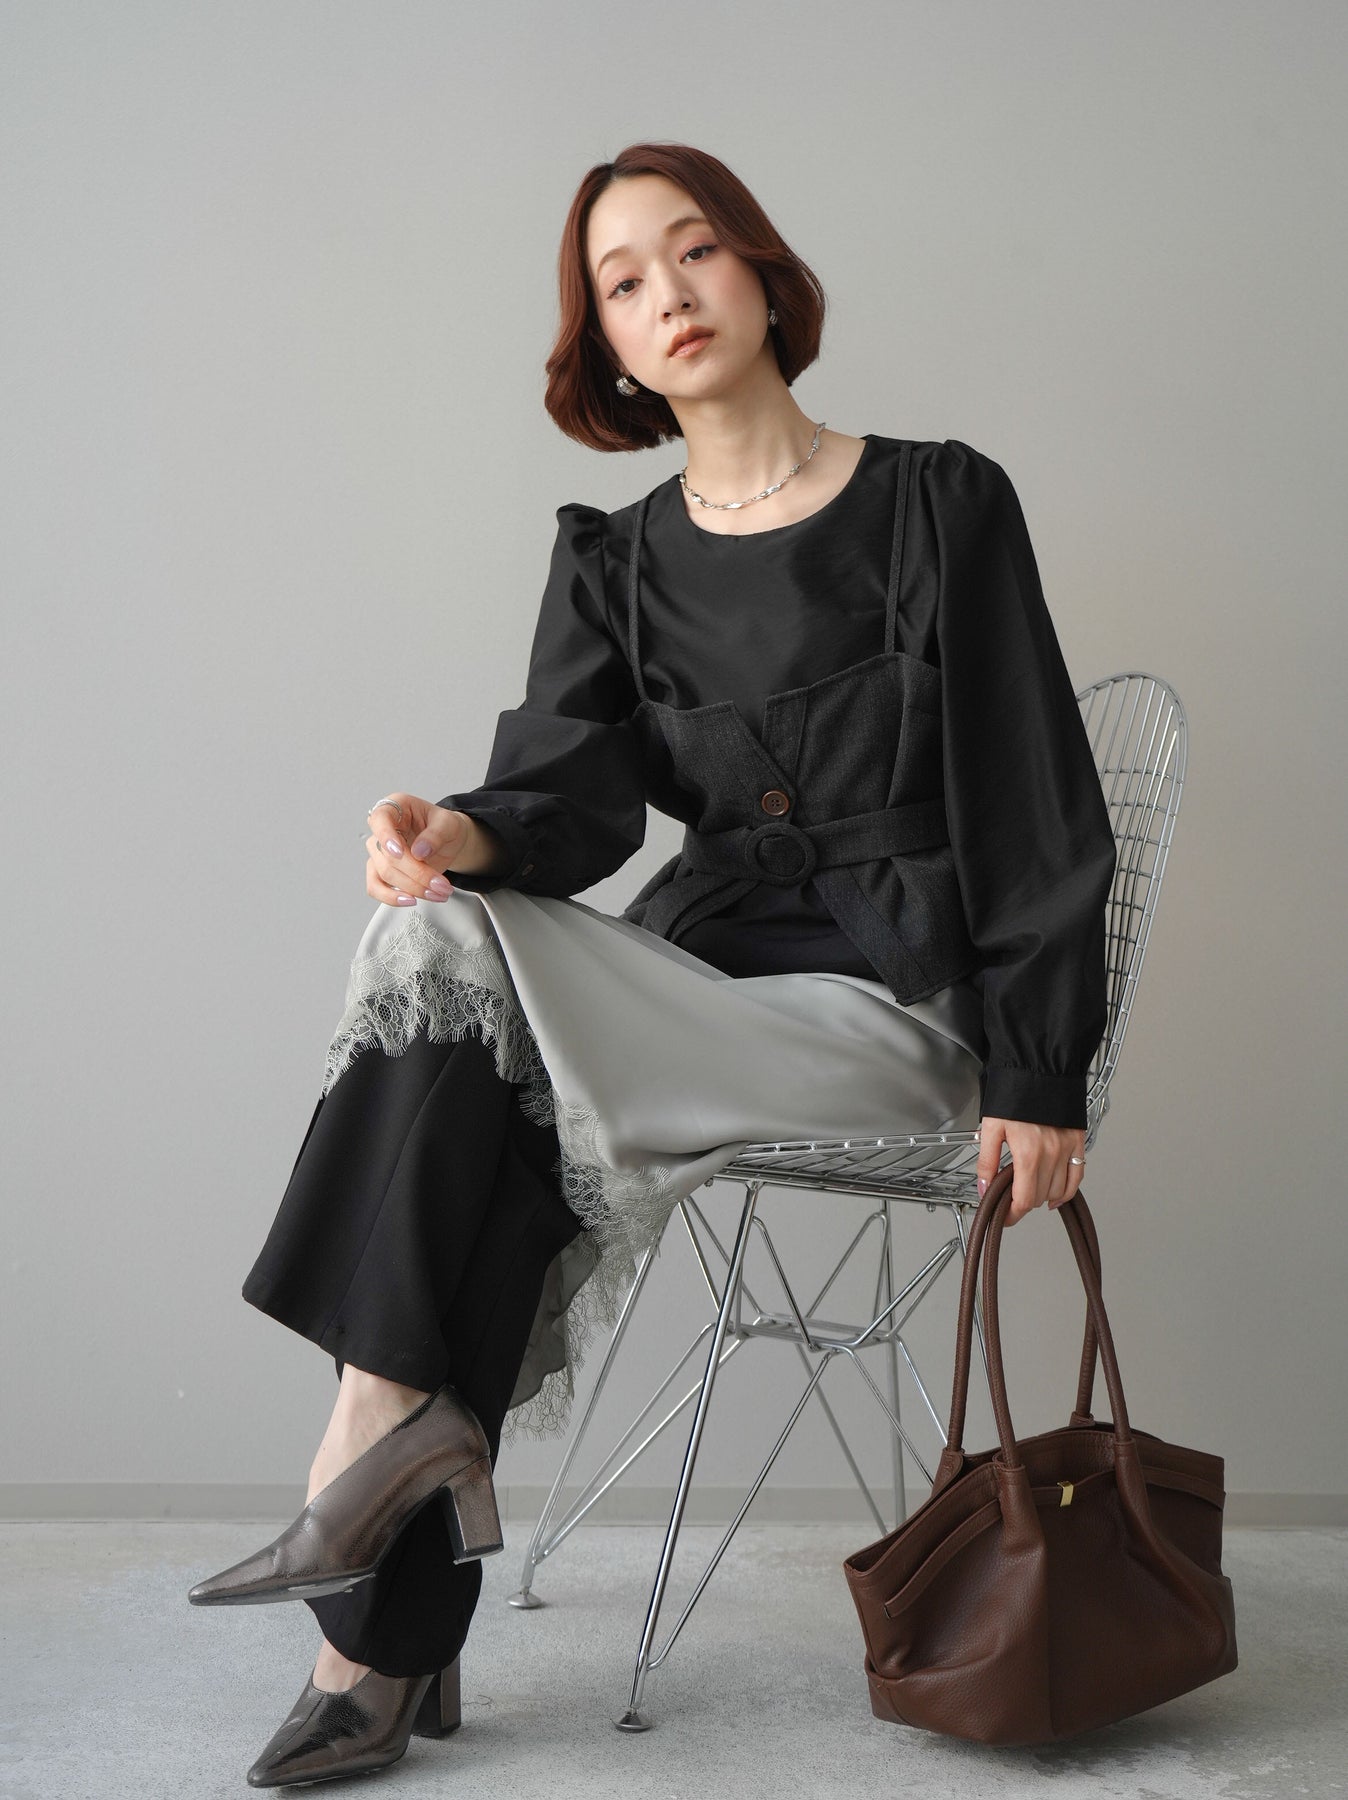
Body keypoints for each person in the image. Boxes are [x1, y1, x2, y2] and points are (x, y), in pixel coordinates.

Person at [188, 141, 1117, 1788]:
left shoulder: (938, 502)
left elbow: (1033, 794)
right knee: (441, 959)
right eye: (624, 282)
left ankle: (364, 1505)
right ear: (607, 347)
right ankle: (389, 1591)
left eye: (694, 252)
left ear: (761, 272)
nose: (668, 294)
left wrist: (1046, 1071)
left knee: (479, 1058)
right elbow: (565, 805)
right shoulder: (613, 564)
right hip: (700, 989)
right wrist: (449, 832)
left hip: (890, 1009)